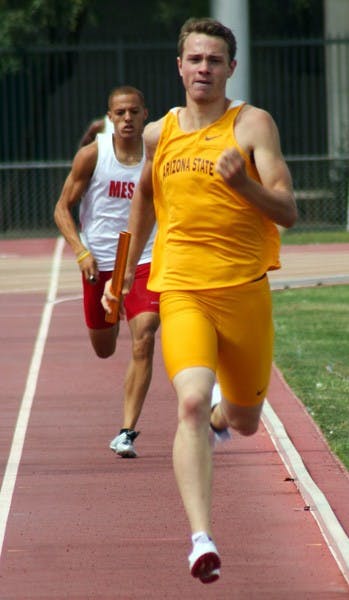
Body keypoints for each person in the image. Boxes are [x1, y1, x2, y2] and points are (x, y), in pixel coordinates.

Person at [102, 17, 297, 584]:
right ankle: (201, 539)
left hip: (244, 294)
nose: (204, 68)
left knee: (245, 419)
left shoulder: (254, 125)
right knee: (187, 401)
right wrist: (123, 273)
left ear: (231, 68)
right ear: (180, 66)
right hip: (181, 288)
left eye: (215, 60)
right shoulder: (159, 134)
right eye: (195, 59)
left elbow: (286, 211)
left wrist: (243, 186)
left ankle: (222, 416)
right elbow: (143, 200)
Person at [54, 85, 160, 458]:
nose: (128, 118)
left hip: (145, 259)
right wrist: (81, 252)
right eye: (120, 113)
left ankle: (127, 431)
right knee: (104, 347)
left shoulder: (158, 154)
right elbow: (61, 209)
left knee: (144, 335)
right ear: (109, 117)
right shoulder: (93, 155)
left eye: (134, 111)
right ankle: (112, 315)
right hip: (99, 264)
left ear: (145, 114)